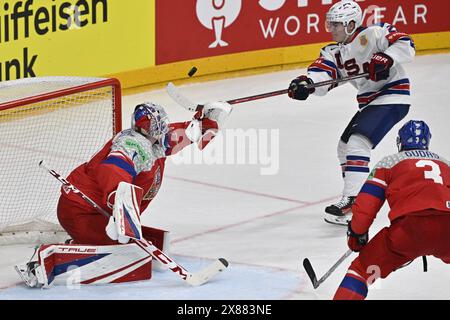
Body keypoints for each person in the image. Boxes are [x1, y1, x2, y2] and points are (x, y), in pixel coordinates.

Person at [287, 0, 415, 225]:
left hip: (392, 95)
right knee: (344, 147)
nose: (332, 29)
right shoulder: (332, 51)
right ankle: (354, 204)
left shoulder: (375, 33)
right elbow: (323, 76)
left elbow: (406, 44)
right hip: (371, 102)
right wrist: (306, 84)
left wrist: (387, 57)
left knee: (357, 142)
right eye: (331, 24)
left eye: (336, 24)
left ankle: (354, 202)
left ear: (351, 23)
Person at [57, 100, 232, 245]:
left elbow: (186, 133)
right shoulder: (132, 145)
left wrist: (207, 122)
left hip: (99, 211)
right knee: (124, 252)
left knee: (130, 248)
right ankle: (72, 249)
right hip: (82, 210)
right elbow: (113, 169)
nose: (161, 130)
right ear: (144, 128)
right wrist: (121, 210)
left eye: (160, 125)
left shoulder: (156, 140)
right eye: (155, 126)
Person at [333, 120, 450, 300]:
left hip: (408, 232)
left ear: (400, 142)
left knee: (361, 271)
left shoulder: (388, 163)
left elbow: (366, 206)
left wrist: (357, 235)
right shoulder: (445, 163)